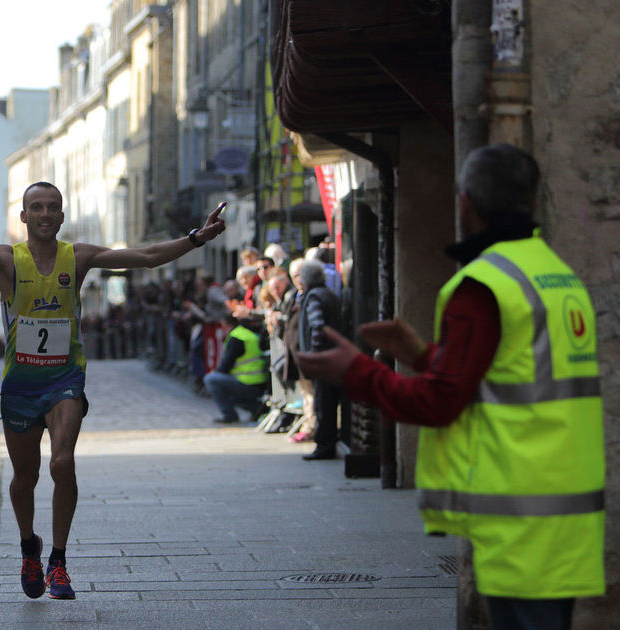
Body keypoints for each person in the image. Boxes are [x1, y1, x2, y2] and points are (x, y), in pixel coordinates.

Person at [295, 144, 604, 630]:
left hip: (519, 520)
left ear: (465, 204)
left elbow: (441, 402)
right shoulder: (556, 276)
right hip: (567, 516)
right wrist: (421, 355)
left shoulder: (483, 285)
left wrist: (357, 372)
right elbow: (508, 377)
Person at [0, 182, 226, 600]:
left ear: (61, 216)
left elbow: (145, 257)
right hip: (20, 384)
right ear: (23, 216)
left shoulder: (78, 257)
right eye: (35, 207)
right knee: (26, 476)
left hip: (65, 380)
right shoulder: (4, 260)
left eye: (52, 207)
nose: (43, 213)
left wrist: (195, 238)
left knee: (62, 463)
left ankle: (58, 561)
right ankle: (29, 548)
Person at [296, 259, 340, 460]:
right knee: (326, 402)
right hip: (331, 357)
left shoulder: (314, 297)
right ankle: (326, 443)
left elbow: (317, 326)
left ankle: (324, 446)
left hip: (323, 359)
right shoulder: (327, 294)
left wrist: (314, 354)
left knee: (323, 403)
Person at [204, 314, 267, 423]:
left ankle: (230, 415)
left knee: (211, 380)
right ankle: (255, 407)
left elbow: (226, 365)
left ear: (224, 323)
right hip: (259, 381)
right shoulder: (246, 334)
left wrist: (215, 372)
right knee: (220, 383)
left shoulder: (237, 337)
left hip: (248, 383)